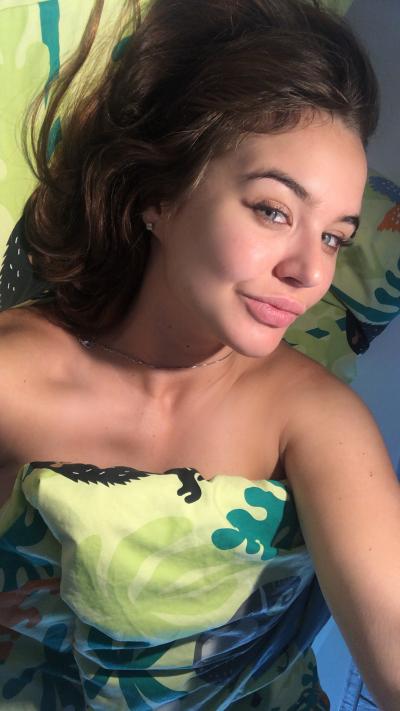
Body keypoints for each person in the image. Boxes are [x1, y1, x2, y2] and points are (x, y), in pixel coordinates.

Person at [0, 0, 399, 709]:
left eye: (335, 237)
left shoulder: (315, 419)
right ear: (159, 194)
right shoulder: (17, 379)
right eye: (273, 210)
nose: (310, 272)